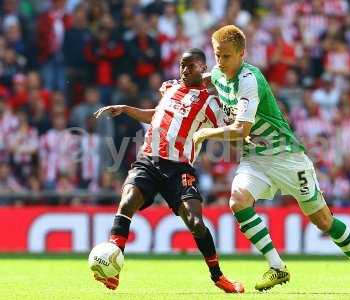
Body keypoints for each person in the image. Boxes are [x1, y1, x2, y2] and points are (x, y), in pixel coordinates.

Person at [193, 25, 350, 293]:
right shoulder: (218, 74)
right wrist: (176, 87)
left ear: (241, 54)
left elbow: (240, 130)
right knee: (238, 200)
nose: (220, 62)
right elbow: (202, 79)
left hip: (287, 157)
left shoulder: (250, 79)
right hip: (255, 158)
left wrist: (204, 134)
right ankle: (277, 267)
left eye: (226, 56)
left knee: (323, 221)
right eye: (217, 55)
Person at [93, 48, 244, 293]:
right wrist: (126, 108)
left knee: (195, 222)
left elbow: (229, 130)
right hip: (149, 162)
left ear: (202, 68)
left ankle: (218, 276)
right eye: (182, 65)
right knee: (127, 202)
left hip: (179, 169)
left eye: (190, 66)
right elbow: (157, 115)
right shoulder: (169, 88)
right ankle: (113, 269)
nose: (184, 70)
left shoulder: (209, 102)